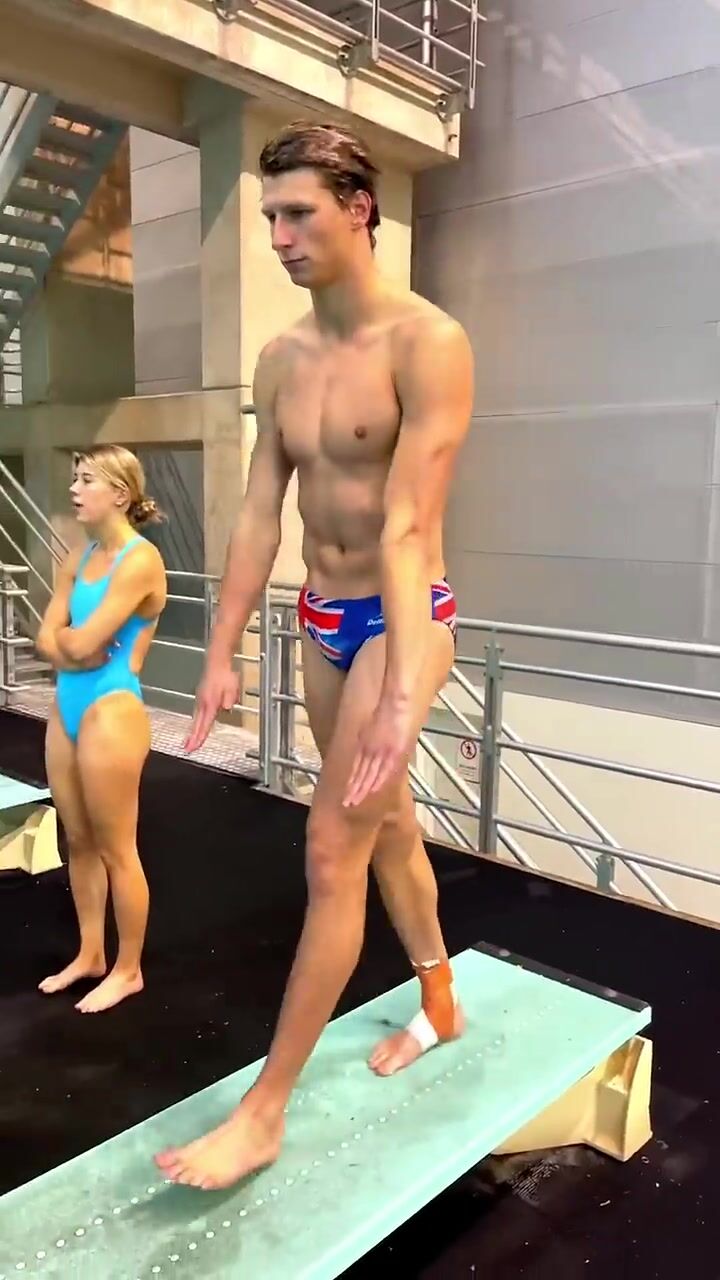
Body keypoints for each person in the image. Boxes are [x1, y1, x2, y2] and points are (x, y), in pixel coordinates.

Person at [156, 120, 473, 1190]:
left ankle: (265, 1111)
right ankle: (439, 996)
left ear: (359, 209)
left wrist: (404, 695)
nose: (280, 237)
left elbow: (406, 529)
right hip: (326, 616)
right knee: (387, 828)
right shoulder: (279, 358)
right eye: (270, 217)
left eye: (298, 214)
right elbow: (259, 509)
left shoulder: (427, 342)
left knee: (332, 849)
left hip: (402, 617)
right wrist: (224, 647)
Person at [36, 444, 167, 1014]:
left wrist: (68, 644)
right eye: (74, 477)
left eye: (85, 479)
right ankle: (91, 954)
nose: (74, 488)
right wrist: (69, 647)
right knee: (79, 840)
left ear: (120, 493)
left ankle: (128, 969)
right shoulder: (79, 555)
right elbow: (47, 638)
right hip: (66, 704)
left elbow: (81, 640)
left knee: (117, 848)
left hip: (111, 707)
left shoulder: (140, 561)